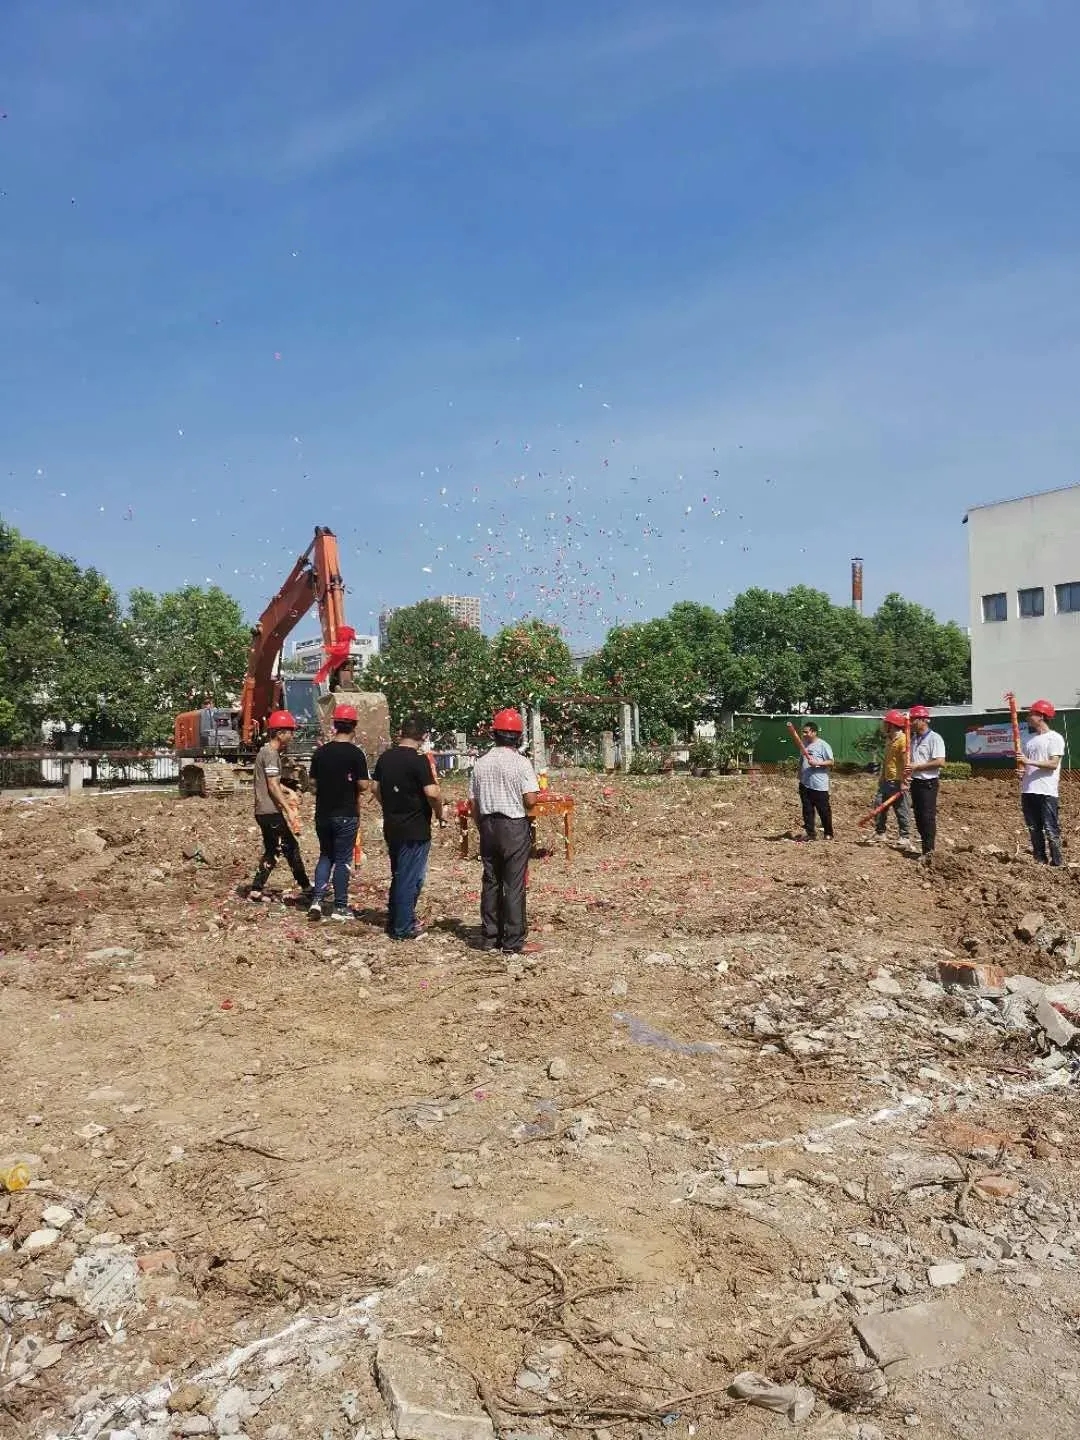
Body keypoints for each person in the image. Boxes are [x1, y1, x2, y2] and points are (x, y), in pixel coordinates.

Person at [470, 708, 541, 954]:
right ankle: (513, 941)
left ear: (494, 734)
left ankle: (490, 937)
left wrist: (482, 826)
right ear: (518, 737)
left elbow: (474, 803)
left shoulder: (480, 763)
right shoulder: (521, 763)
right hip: (513, 827)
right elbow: (530, 801)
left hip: (488, 825)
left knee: (491, 881)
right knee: (513, 884)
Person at [372, 714, 444, 940]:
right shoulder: (419, 760)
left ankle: (395, 918)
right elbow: (432, 793)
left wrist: (389, 805)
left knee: (399, 873)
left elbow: (375, 788)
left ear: (401, 733)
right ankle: (403, 927)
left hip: (392, 824)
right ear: (423, 736)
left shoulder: (385, 758)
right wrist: (440, 812)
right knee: (410, 878)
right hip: (415, 827)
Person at [307, 704, 371, 922]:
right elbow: (363, 785)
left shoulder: (320, 752)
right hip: (346, 814)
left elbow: (312, 783)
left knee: (326, 855)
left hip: (323, 814)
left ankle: (317, 900)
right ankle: (340, 906)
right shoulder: (356, 754)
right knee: (343, 859)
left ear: (334, 725)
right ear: (354, 726)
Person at [249, 710, 312, 902]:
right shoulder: (270, 754)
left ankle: (256, 890)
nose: (292, 735)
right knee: (290, 847)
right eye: (290, 731)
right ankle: (306, 887)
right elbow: (272, 786)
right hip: (270, 811)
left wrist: (289, 791)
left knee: (273, 849)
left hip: (263, 811)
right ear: (279, 733)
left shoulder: (267, 752)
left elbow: (275, 782)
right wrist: (288, 809)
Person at [1019, 699, 1065, 866]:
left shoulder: (1054, 738)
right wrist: (1022, 771)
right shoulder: (1028, 740)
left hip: (1046, 791)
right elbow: (1026, 765)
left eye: (1031, 713)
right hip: (1028, 790)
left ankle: (1057, 863)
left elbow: (1053, 764)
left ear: (1041, 716)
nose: (1028, 716)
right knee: (1033, 828)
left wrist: (1028, 761)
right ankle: (1039, 860)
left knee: (1050, 828)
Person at [905, 704, 947, 856]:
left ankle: (929, 853)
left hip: (928, 784)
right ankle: (925, 849)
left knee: (927, 818)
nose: (911, 723)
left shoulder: (935, 738)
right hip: (916, 783)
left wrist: (917, 767)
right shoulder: (914, 739)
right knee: (918, 817)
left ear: (923, 720)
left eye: (914, 720)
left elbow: (940, 762)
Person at [874, 710, 913, 845]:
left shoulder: (903, 740)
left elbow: (906, 762)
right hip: (886, 780)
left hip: (898, 781)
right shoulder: (889, 739)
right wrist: (882, 776)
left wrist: (904, 781)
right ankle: (880, 833)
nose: (883, 725)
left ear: (892, 725)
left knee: (901, 810)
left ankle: (905, 836)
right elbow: (887, 760)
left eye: (886, 723)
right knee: (879, 806)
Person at [796, 721, 834, 841]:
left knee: (824, 811)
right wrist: (799, 774)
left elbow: (831, 762)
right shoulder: (804, 744)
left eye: (806, 732)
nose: (804, 734)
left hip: (819, 785)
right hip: (805, 783)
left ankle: (828, 833)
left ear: (814, 732)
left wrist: (817, 763)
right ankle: (810, 833)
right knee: (807, 810)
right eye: (803, 732)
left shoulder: (823, 745)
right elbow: (802, 760)